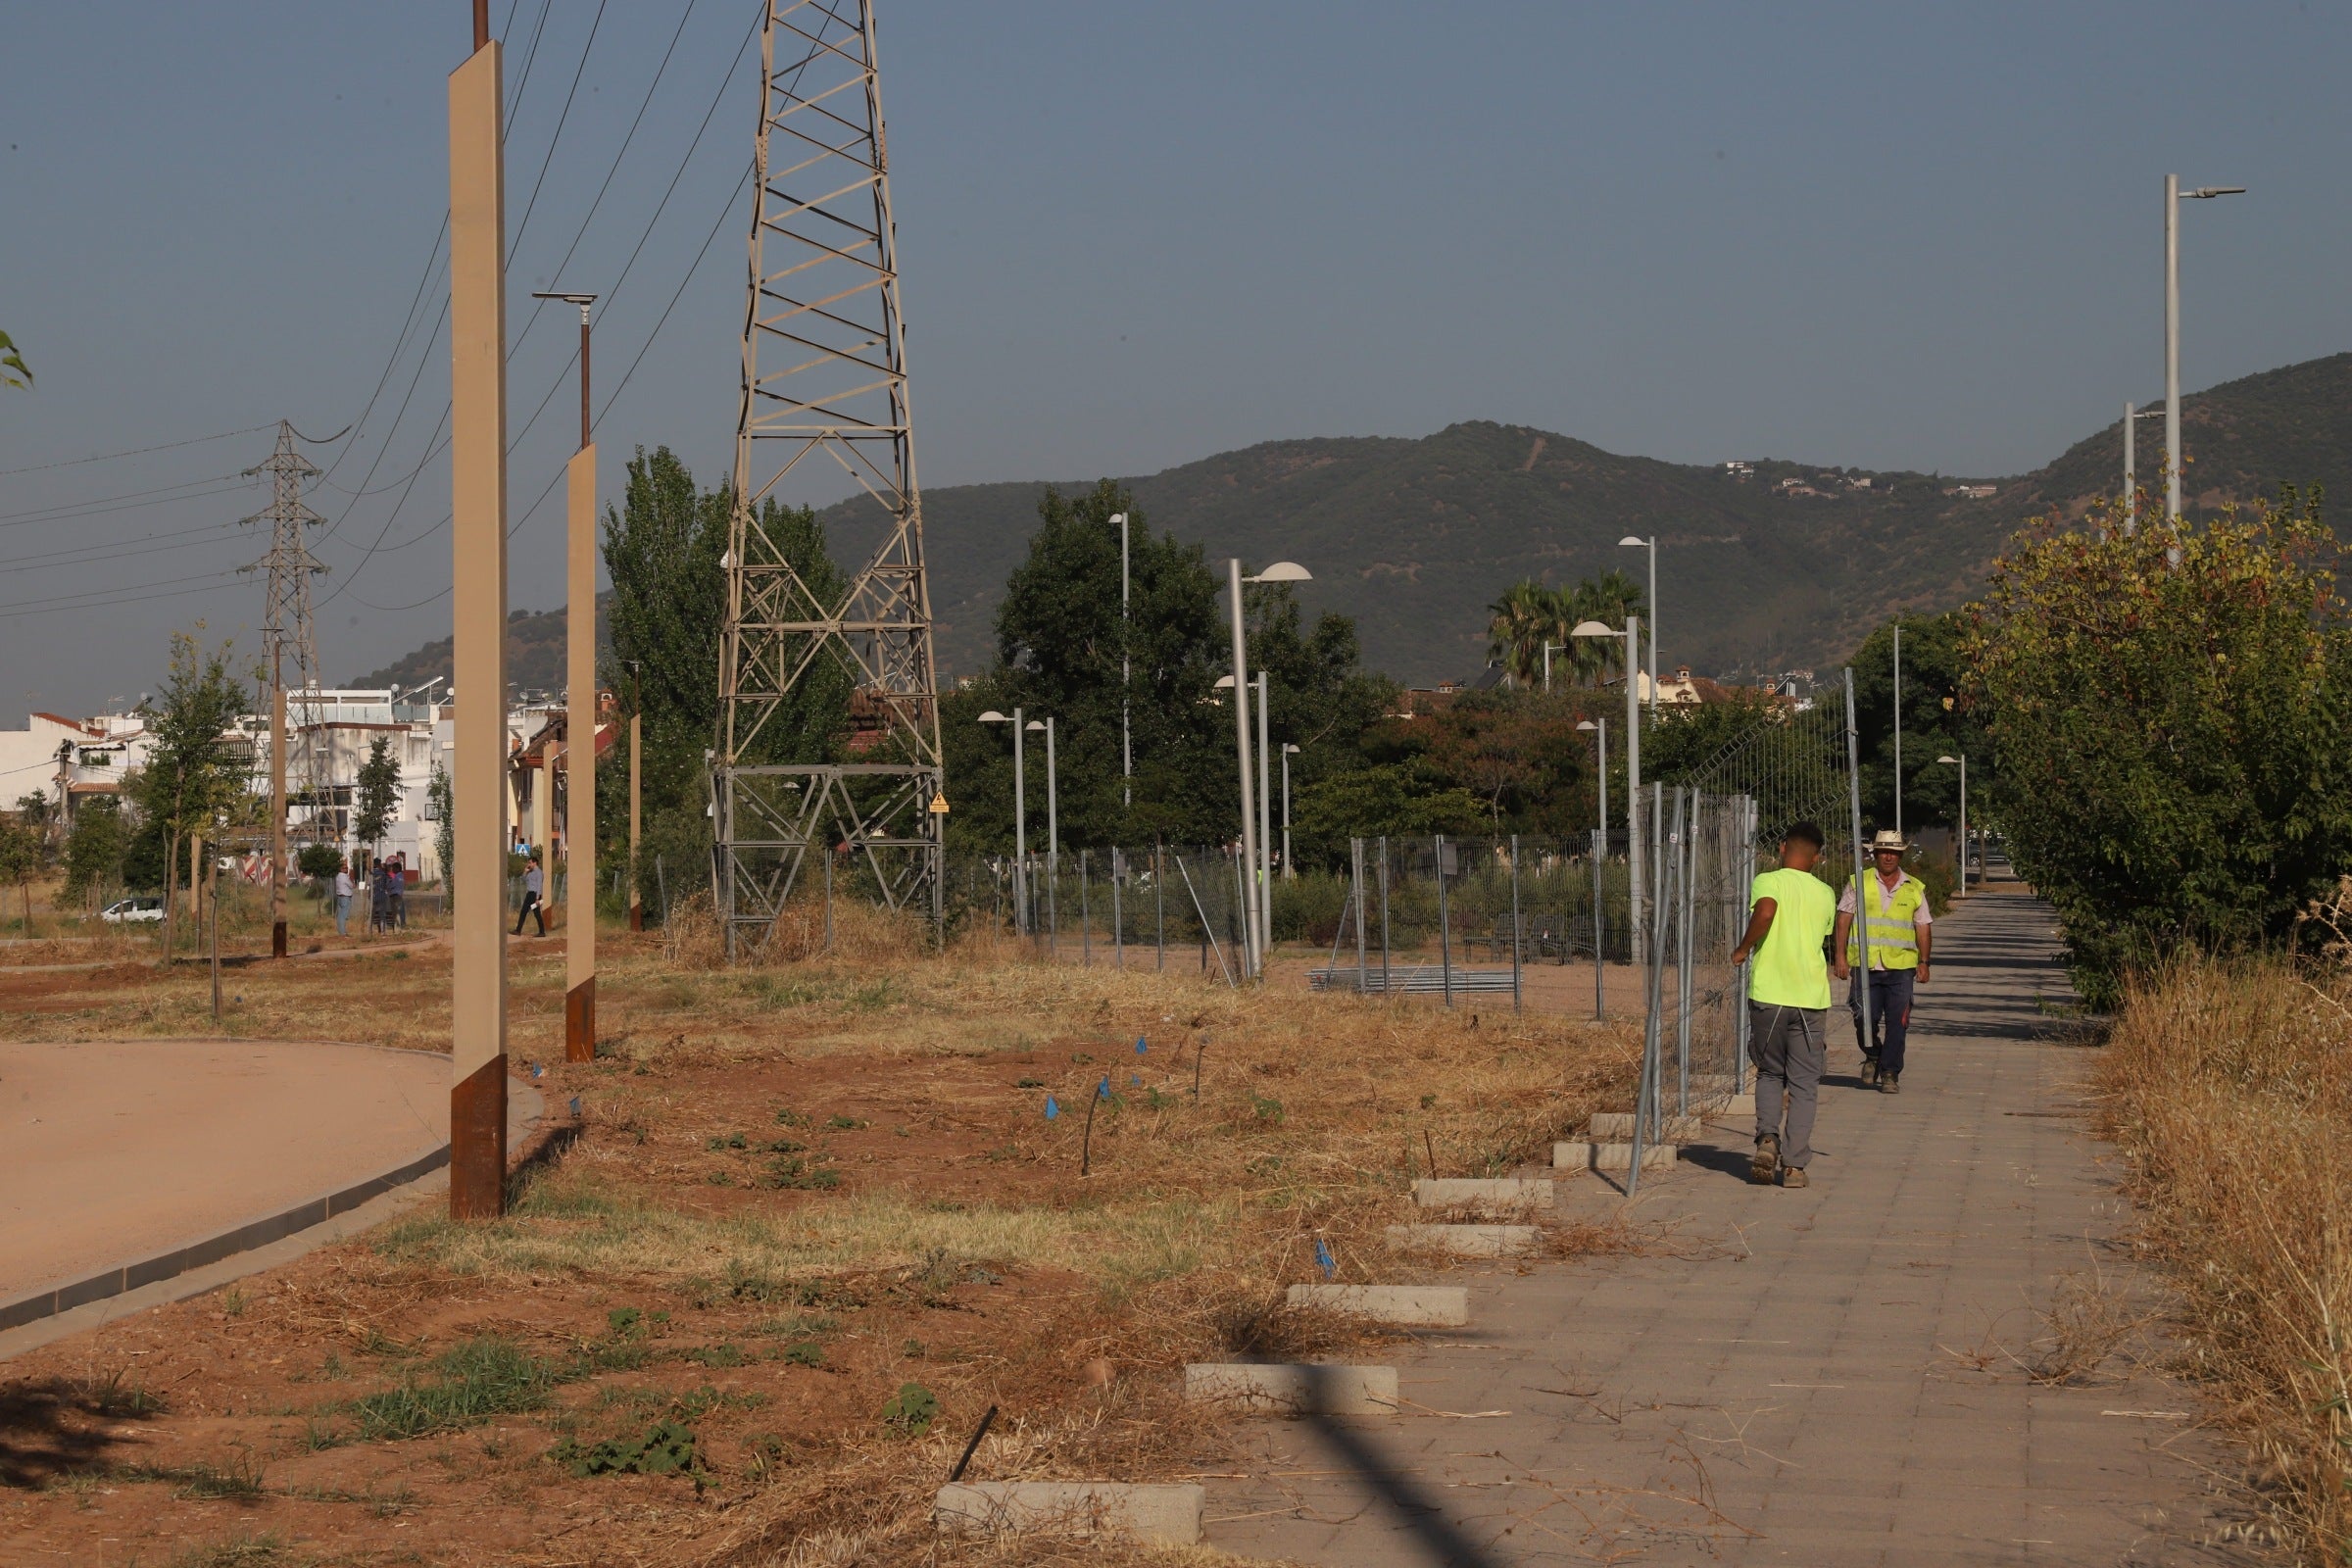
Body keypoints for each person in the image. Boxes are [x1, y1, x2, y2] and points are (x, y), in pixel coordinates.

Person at [1728, 820, 1838, 1189]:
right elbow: (1823, 936)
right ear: (1817, 858)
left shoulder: (1768, 881)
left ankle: (1767, 1139)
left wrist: (1743, 948)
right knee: (1805, 1083)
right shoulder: (1825, 893)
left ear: (1782, 848)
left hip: (1770, 996)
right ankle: (1794, 1167)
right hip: (1810, 999)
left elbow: (1766, 912)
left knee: (1770, 1073)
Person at [1834, 829, 1934, 1094]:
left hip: (1901, 967)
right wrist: (1840, 956)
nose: (1888, 857)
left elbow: (1923, 926)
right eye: (1883, 852)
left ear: (1900, 855)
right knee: (1862, 1017)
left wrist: (1924, 962)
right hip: (1865, 966)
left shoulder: (1914, 887)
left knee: (1898, 1022)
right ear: (1875, 854)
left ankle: (1890, 1072)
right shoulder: (1858, 882)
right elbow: (1843, 918)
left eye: (1893, 852)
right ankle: (1873, 1053)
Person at [514, 854, 546, 937]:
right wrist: (525, 871)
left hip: (535, 895)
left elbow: (539, 885)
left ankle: (542, 932)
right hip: (529, 894)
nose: (529, 864)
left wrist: (537, 898)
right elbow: (523, 879)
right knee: (523, 912)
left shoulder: (539, 873)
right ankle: (518, 930)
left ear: (535, 863)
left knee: (537, 914)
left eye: (530, 863)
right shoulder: (530, 872)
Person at [333, 859, 355, 937]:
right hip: (345, 897)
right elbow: (352, 886)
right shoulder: (344, 877)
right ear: (340, 869)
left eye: (346, 868)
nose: (346, 869)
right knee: (343, 916)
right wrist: (351, 877)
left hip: (340, 897)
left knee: (340, 916)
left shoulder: (338, 876)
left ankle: (341, 931)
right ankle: (343, 933)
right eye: (344, 868)